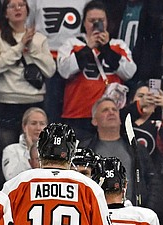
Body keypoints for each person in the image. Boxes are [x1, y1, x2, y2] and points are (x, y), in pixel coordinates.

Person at [0, 0, 56, 172]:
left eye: (21, 5)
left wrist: (31, 49)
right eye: (12, 6)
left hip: (34, 103)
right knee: (6, 155)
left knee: (37, 153)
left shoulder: (38, 39)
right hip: (5, 103)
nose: (17, 9)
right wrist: (20, 46)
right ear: (5, 12)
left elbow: (50, 70)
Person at [56, 1, 136, 139]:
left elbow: (129, 72)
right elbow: (64, 71)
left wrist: (106, 49)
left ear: (107, 22)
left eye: (101, 20)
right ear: (84, 23)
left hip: (110, 113)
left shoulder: (119, 45)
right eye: (92, 21)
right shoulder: (72, 43)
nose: (96, 24)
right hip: (78, 114)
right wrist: (88, 48)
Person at [82, 97, 163, 214]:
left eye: (114, 110)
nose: (111, 112)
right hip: (96, 215)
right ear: (94, 121)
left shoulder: (137, 149)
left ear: (120, 120)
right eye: (105, 110)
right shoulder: (86, 150)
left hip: (132, 216)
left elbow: (153, 181)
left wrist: (146, 211)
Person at [2, 107, 48, 181]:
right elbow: (11, 178)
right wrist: (30, 151)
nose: (38, 128)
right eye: (33, 123)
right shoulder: (11, 150)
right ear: (24, 126)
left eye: (42, 124)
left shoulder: (52, 151)